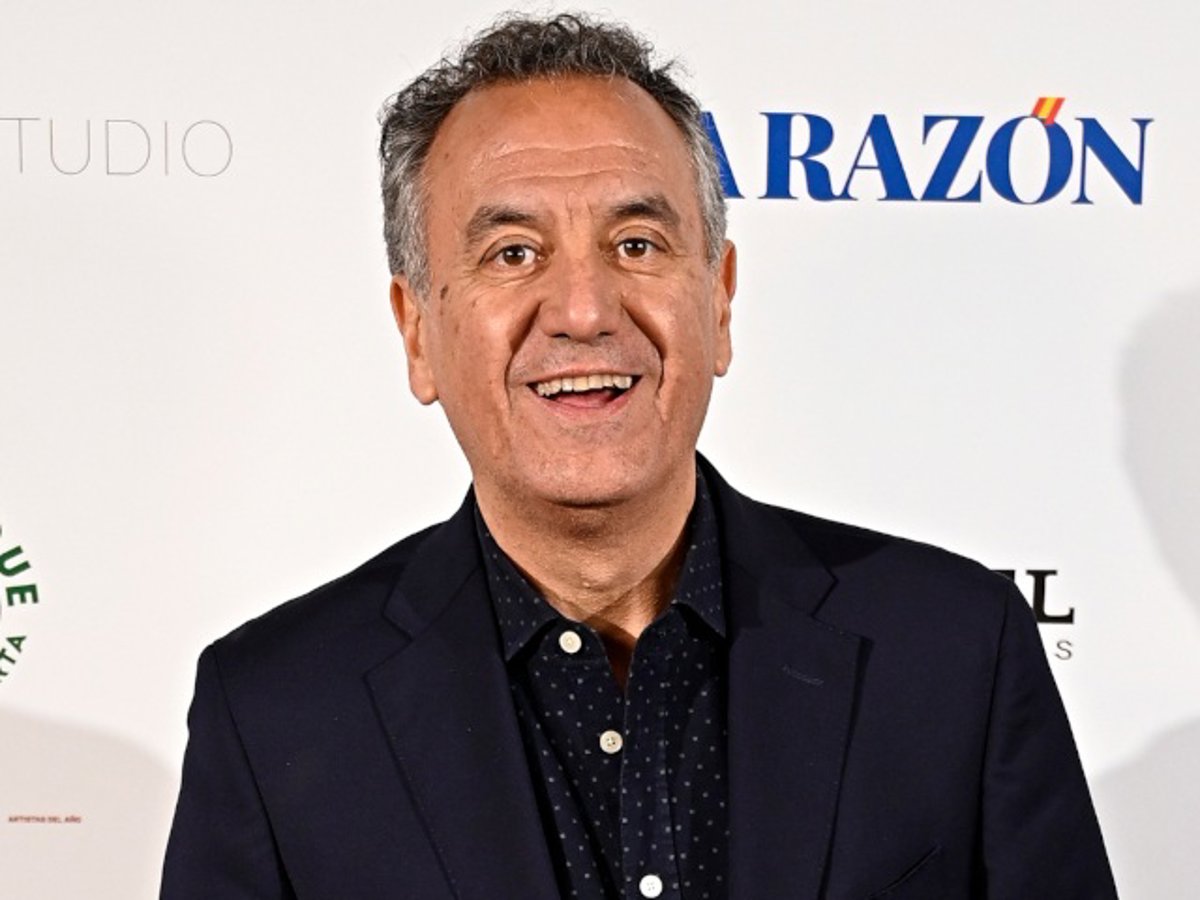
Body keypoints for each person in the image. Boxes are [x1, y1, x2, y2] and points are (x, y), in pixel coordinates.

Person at [161, 13, 1117, 900]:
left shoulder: (956, 653)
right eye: (513, 253)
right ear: (418, 332)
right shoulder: (276, 712)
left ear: (720, 299)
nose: (584, 311)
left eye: (636, 243)